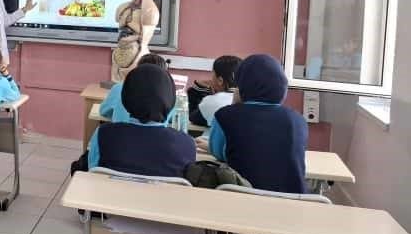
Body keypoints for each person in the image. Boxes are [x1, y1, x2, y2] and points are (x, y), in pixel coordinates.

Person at [207, 54, 307, 193]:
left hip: (242, 198)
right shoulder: (297, 120)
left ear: (242, 84)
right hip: (292, 202)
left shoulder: (225, 116)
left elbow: (218, 153)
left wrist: (235, 105)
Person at [86, 64, 195, 177]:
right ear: (171, 99)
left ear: (125, 96)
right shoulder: (187, 144)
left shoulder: (103, 135)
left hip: (110, 194)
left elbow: (93, 173)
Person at [111, 0, 160, 82]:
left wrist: (132, 38)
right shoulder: (122, 7)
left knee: (132, 87)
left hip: (136, 54)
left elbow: (144, 40)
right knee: (117, 88)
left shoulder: (149, 10)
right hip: (119, 52)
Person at [99, 53, 170, 123]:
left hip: (121, 133)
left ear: (137, 70)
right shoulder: (168, 95)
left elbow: (103, 111)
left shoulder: (119, 88)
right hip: (156, 134)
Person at [192, 55, 242, 127]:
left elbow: (193, 118)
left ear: (220, 80)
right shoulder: (249, 101)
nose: (211, 79)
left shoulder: (210, 101)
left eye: (213, 74)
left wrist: (200, 89)